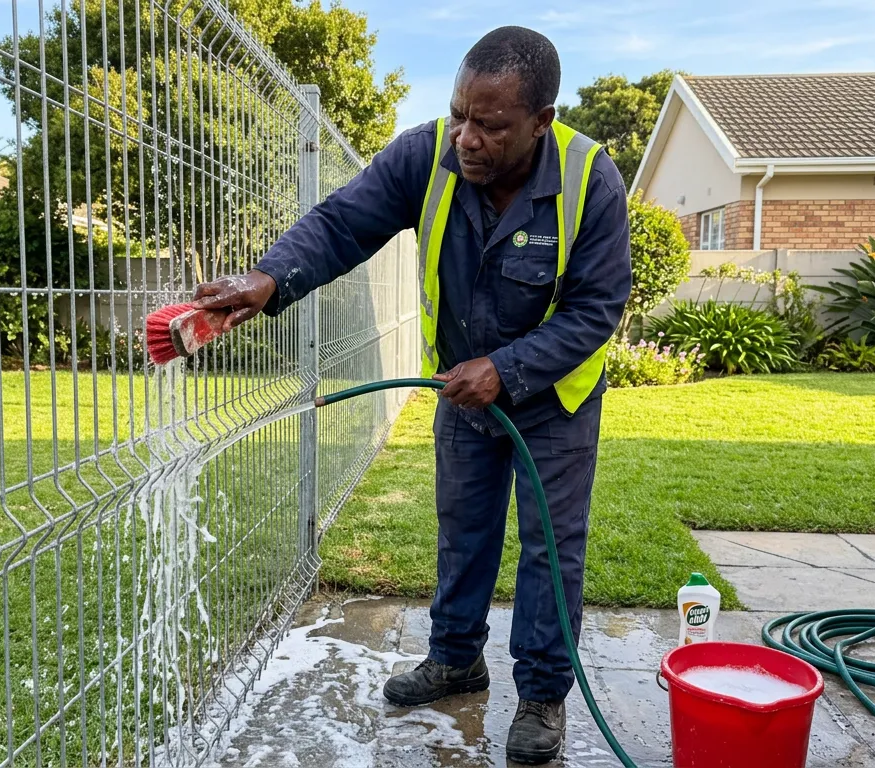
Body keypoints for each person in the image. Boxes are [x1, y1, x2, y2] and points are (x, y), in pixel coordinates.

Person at [190, 25, 630, 765]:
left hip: (554, 400)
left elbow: (596, 307)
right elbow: (341, 223)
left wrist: (509, 368)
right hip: (461, 391)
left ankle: (543, 696)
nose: (467, 137)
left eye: (490, 125)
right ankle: (456, 658)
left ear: (539, 123)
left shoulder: (591, 178)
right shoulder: (424, 155)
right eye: (460, 114)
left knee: (550, 550)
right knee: (463, 530)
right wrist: (271, 280)